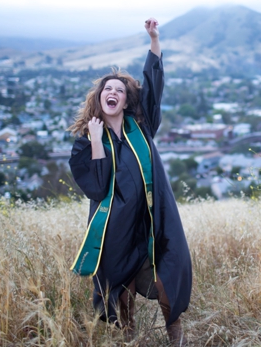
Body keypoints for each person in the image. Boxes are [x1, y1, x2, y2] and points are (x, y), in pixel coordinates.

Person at [67, 18, 192, 346]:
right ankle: (130, 341)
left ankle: (176, 341)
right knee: (123, 300)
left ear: (126, 101)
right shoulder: (85, 142)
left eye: (119, 90)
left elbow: (154, 84)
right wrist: (96, 141)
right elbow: (95, 188)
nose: (113, 93)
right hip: (116, 234)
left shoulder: (142, 128)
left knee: (167, 282)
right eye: (107, 89)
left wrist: (154, 40)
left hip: (153, 223)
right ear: (99, 97)